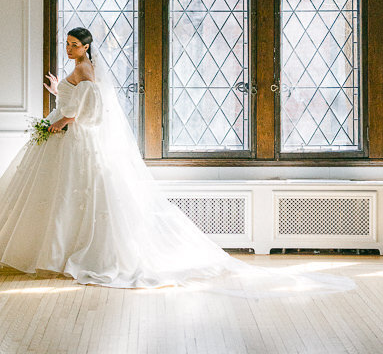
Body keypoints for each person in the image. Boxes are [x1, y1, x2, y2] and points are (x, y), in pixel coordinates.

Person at [0, 28, 356, 295]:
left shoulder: (88, 70)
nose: (69, 48)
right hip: (64, 140)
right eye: (67, 44)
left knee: (72, 197)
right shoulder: (78, 70)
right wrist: (56, 91)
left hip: (74, 139)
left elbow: (91, 112)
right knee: (59, 198)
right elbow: (74, 96)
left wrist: (64, 120)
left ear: (87, 46)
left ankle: (63, 255)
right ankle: (54, 254)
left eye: (74, 45)